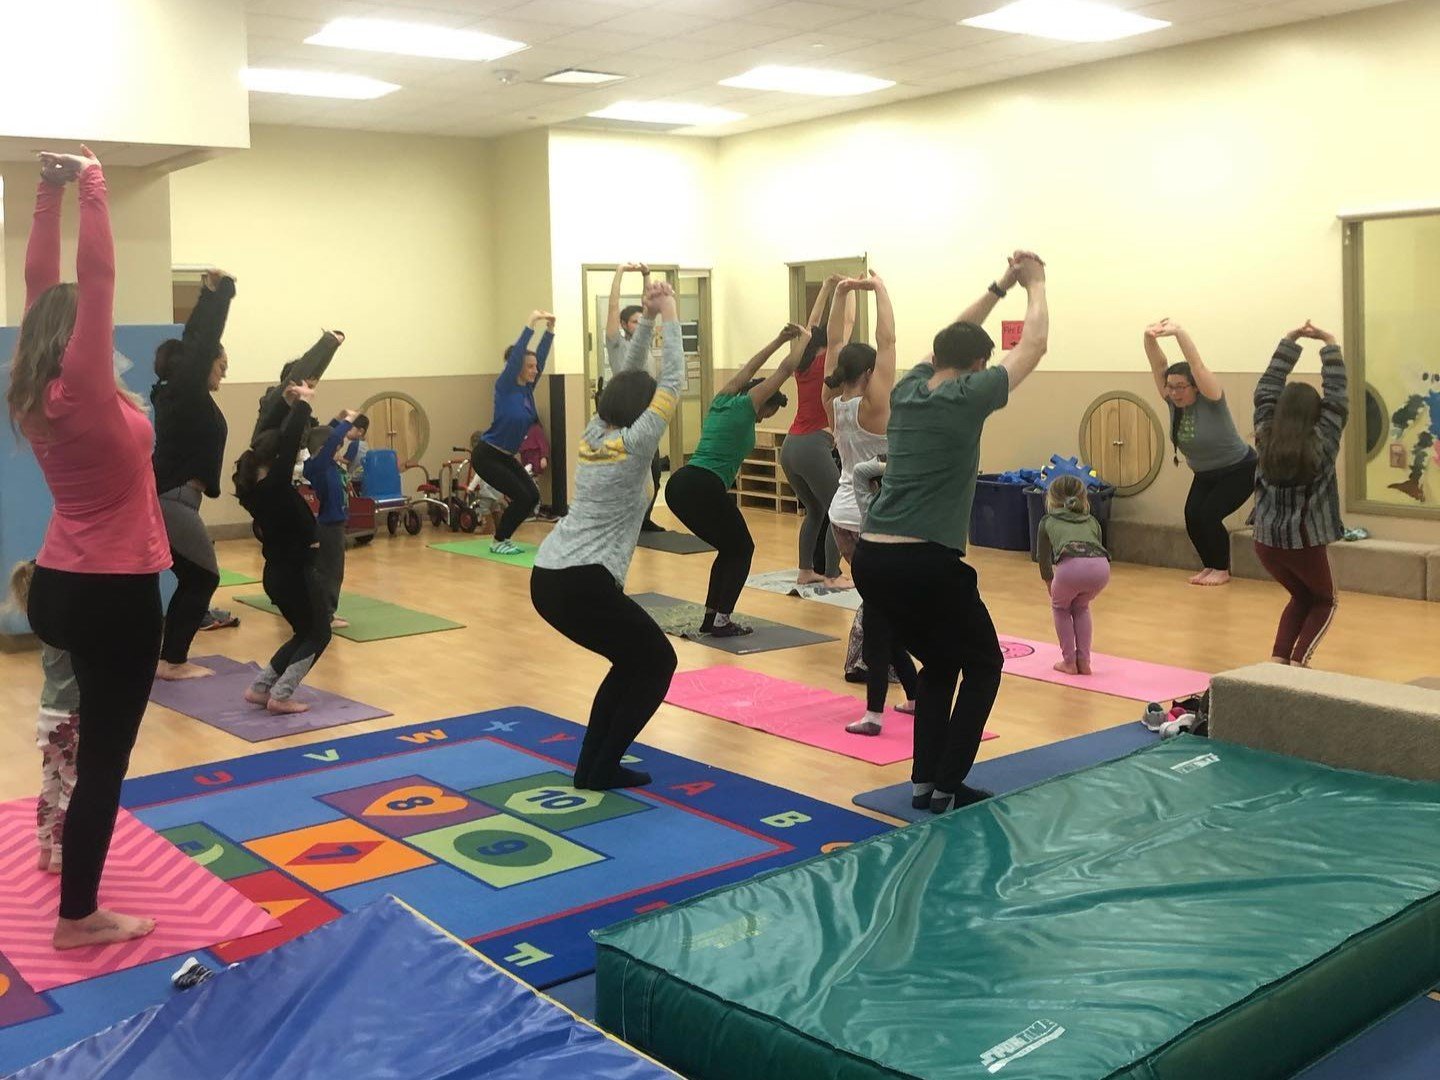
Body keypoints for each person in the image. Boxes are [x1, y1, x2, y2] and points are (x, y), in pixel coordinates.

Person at [5, 146, 168, 948]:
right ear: (79, 341)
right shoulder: (92, 392)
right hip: (114, 590)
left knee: (79, 730)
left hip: (60, 588)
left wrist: (44, 192)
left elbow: (43, 287)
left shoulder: (35, 393)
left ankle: (58, 856)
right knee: (108, 755)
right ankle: (79, 916)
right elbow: (94, 283)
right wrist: (92, 183)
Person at [853, 251, 1047, 814]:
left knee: (942, 662)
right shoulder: (971, 394)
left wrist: (998, 285)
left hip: (874, 558)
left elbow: (954, 338)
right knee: (984, 662)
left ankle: (925, 784)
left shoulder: (911, 388)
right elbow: (1032, 346)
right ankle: (948, 783)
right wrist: (1035, 283)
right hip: (926, 561)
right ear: (981, 362)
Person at [532, 280, 684, 789]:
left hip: (548, 576)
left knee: (631, 662)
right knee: (658, 662)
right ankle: (598, 768)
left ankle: (594, 768)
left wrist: (643, 322)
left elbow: (628, 376)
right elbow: (674, 382)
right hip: (581, 582)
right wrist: (669, 314)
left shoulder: (595, 429)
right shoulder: (639, 441)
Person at [665, 323, 807, 636]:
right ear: (761, 401)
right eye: (767, 412)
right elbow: (785, 368)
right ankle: (721, 620)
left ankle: (713, 617)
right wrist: (804, 339)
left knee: (731, 549)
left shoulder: (721, 400)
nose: (763, 418)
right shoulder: (746, 406)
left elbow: (750, 368)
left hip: (680, 484)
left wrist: (778, 338)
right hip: (702, 485)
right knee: (742, 548)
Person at [822, 273, 916, 735]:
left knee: (881, 610)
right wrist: (880, 289)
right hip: (874, 518)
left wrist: (841, 295)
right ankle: (876, 711)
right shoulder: (876, 402)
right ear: (869, 372)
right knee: (882, 616)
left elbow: (834, 340)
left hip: (842, 516)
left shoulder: (832, 400)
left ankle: (912, 694)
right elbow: (889, 338)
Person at [151, 268, 237, 681]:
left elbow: (198, 347)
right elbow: (199, 341)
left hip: (177, 498)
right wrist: (216, 295)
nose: (222, 371)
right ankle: (172, 662)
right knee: (203, 577)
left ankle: (169, 657)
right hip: (174, 498)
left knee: (192, 577)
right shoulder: (185, 392)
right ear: (200, 365)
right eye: (220, 365)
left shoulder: (182, 397)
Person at [1251, 321, 1349, 667]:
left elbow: (1265, 390)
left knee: (1301, 596)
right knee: (1325, 601)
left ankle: (1278, 663)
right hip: (1304, 542)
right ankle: (1298, 664)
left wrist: (1289, 342)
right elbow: (1337, 395)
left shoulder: (1264, 434)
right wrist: (1329, 344)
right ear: (1316, 414)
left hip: (1266, 543)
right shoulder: (1323, 441)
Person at [234, 386, 332, 714]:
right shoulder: (273, 488)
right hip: (295, 574)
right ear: (275, 462)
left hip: (279, 574)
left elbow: (268, 437)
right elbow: (288, 443)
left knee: (304, 631)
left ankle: (261, 687)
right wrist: (302, 404)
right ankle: (282, 694)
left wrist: (286, 405)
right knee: (319, 634)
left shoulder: (254, 490)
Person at [1143, 318, 1256, 585]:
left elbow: (1198, 365)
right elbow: (1158, 365)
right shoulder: (1172, 401)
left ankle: (1221, 569)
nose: (1173, 392)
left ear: (1195, 386)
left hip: (1238, 469)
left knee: (1209, 515)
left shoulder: (1212, 398)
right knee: (1193, 517)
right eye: (1170, 387)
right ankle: (1210, 566)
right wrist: (1149, 338)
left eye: (1180, 387)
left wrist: (1179, 333)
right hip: (1205, 473)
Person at [8, 561, 79, 876]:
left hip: (48, 715)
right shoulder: (68, 627)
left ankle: (44, 848)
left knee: (50, 781)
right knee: (72, 787)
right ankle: (62, 854)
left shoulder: (45, 627)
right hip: (72, 716)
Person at [782, 274, 852, 587]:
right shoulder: (828, 360)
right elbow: (844, 327)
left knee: (815, 510)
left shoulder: (802, 362)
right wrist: (846, 292)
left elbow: (810, 328)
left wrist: (825, 288)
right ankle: (832, 575)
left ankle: (805, 570)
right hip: (813, 445)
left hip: (790, 446)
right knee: (838, 511)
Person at [473, 310, 554, 554]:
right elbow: (521, 351)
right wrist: (531, 322)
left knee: (531, 496)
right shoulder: (505, 385)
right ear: (517, 367)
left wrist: (550, 329)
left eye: (535, 367)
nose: (534, 369)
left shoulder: (527, 389)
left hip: (506, 456)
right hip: (487, 455)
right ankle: (498, 541)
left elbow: (539, 355)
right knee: (521, 495)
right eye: (529, 366)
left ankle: (503, 538)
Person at [605, 263, 666, 533]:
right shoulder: (617, 345)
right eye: (634, 321)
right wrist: (619, 272)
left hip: (647, 414)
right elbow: (612, 306)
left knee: (653, 474)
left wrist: (645, 275)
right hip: (626, 417)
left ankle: (643, 520)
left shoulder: (647, 347)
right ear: (623, 325)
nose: (640, 324)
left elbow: (649, 304)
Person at [1036, 475, 1111, 676]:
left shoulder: (1047, 521)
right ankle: (1084, 662)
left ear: (1051, 500)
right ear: (1083, 499)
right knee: (1081, 607)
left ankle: (1069, 662)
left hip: (1071, 568)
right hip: (1101, 569)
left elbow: (1042, 558)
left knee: (1060, 608)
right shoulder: (1092, 521)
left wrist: (1048, 581)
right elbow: (1097, 547)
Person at [303, 409, 358, 629]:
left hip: (333, 522)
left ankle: (324, 611)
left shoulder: (322, 464)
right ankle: (326, 613)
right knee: (332, 571)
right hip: (329, 525)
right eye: (335, 448)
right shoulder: (319, 466)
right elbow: (329, 439)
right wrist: (347, 422)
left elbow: (324, 435)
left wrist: (336, 419)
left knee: (328, 569)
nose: (338, 451)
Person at [250, 330, 345, 446]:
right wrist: (328, 342)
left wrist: (333, 348)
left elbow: (323, 439)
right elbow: (298, 375)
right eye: (307, 386)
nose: (309, 392)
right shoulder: (273, 401)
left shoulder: (300, 411)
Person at [341, 412, 369, 488]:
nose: (346, 432)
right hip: (364, 477)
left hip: (355, 478)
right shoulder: (365, 444)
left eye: (349, 429)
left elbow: (347, 460)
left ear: (360, 431)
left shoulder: (354, 444)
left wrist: (337, 457)